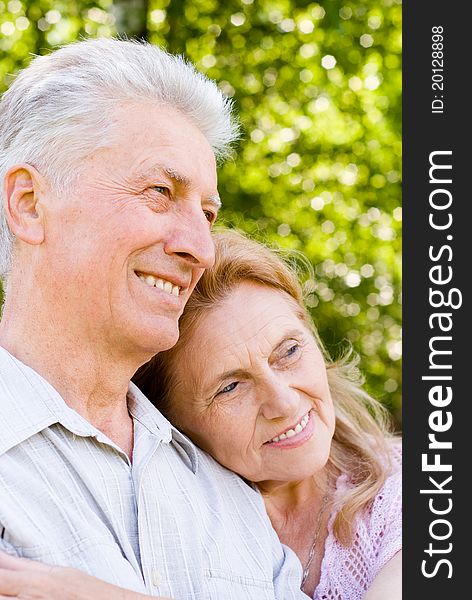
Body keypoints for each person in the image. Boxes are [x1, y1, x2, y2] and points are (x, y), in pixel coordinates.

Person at [0, 38, 308, 599]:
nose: (202, 249)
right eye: (160, 192)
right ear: (28, 203)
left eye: (208, 214)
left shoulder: (233, 501)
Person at [133, 229, 402, 599]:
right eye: (230, 387)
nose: (286, 404)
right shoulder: (165, 522)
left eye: (289, 351)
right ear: (172, 422)